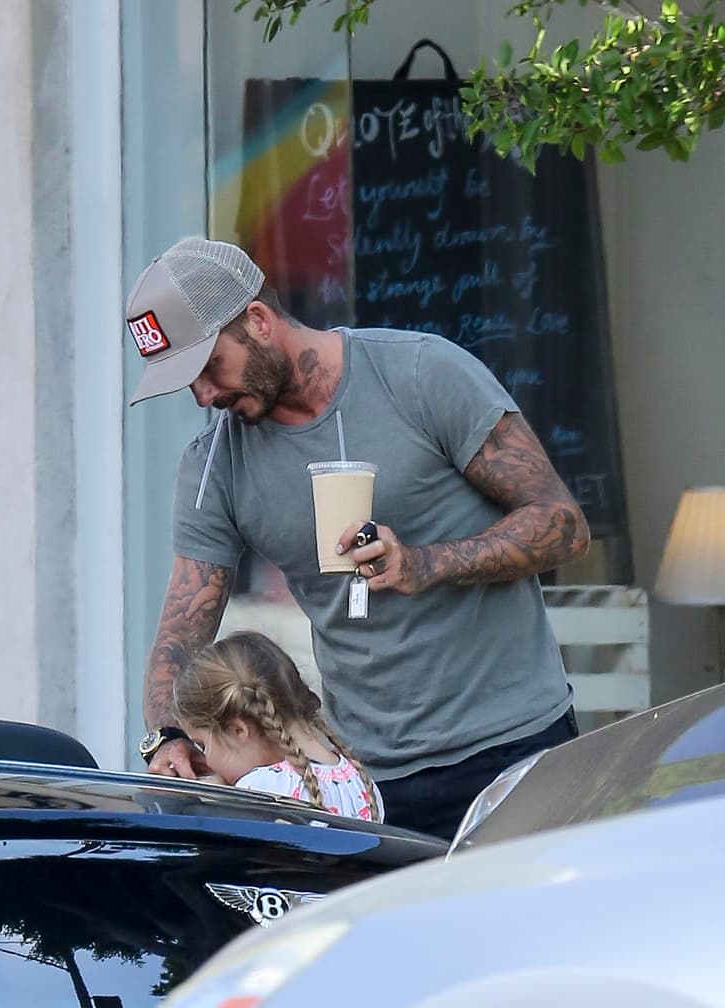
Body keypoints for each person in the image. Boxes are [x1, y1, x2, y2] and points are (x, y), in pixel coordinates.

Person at [127, 237, 589, 840]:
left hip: (516, 751)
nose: (204, 396)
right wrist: (167, 735)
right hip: (364, 782)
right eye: (187, 383)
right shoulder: (214, 462)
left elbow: (562, 523)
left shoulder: (421, 374)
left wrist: (425, 563)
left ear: (259, 322)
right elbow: (182, 629)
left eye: (208, 367)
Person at [173, 630, 383, 822]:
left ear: (238, 731)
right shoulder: (363, 783)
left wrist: (213, 799)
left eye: (202, 745)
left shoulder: (258, 792)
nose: (207, 761)